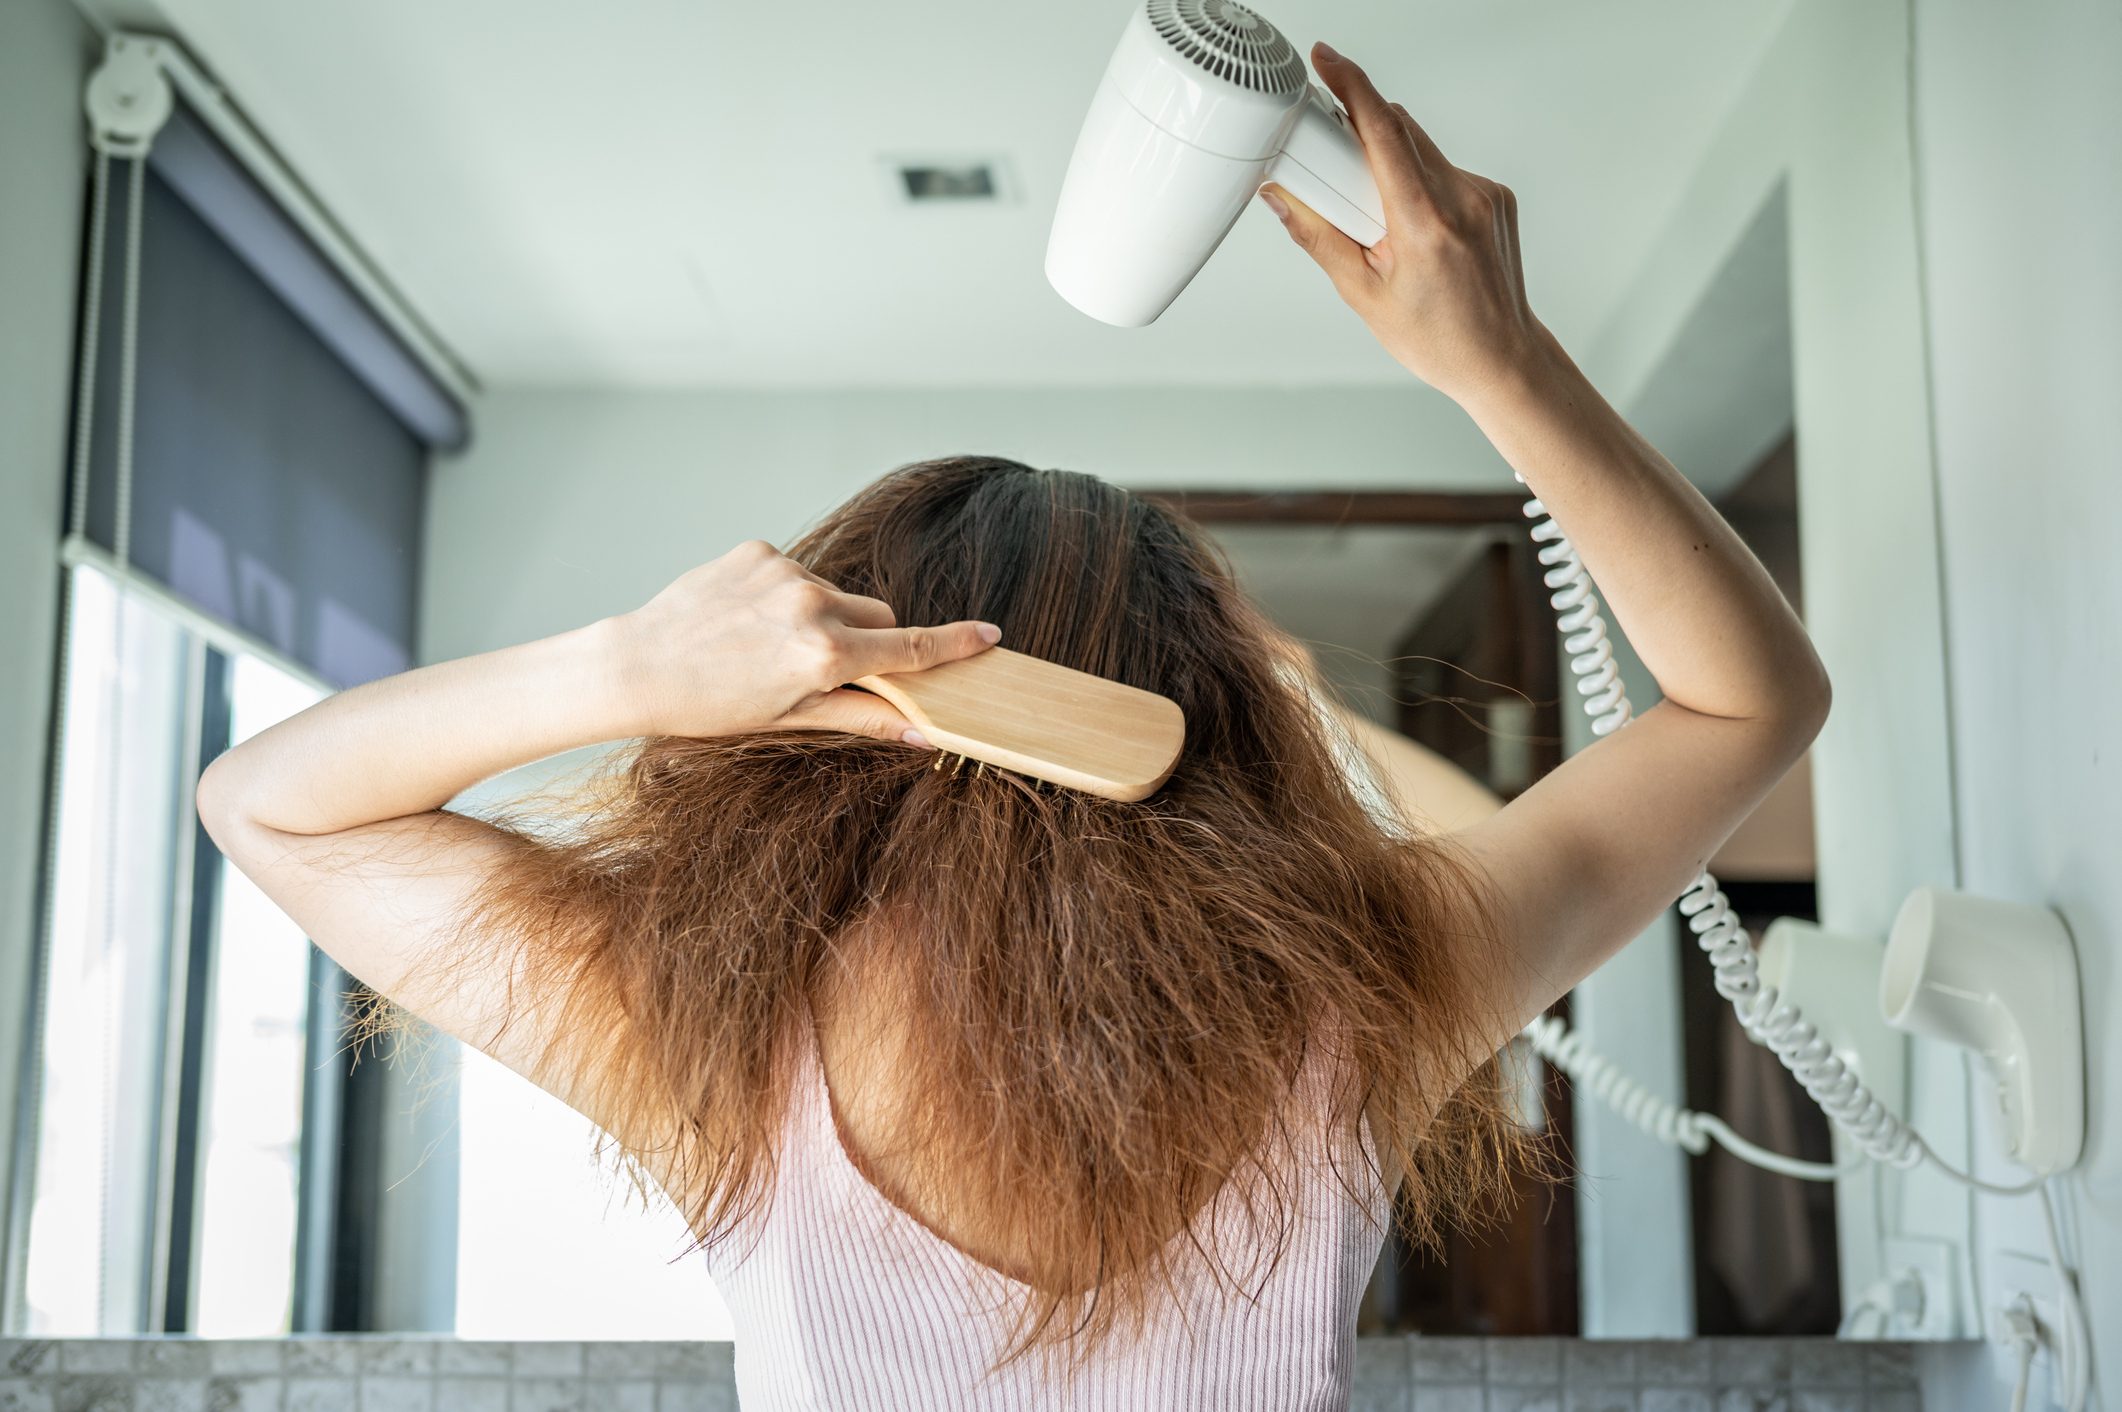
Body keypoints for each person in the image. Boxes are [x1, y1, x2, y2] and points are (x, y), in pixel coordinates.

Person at [196, 41, 1826, 1410]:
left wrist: (625, 672)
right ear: (1213, 704)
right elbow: (1751, 701)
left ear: (820, 719)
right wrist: (1509, 366)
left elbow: (267, 804)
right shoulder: (1374, 984)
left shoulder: (702, 1034)